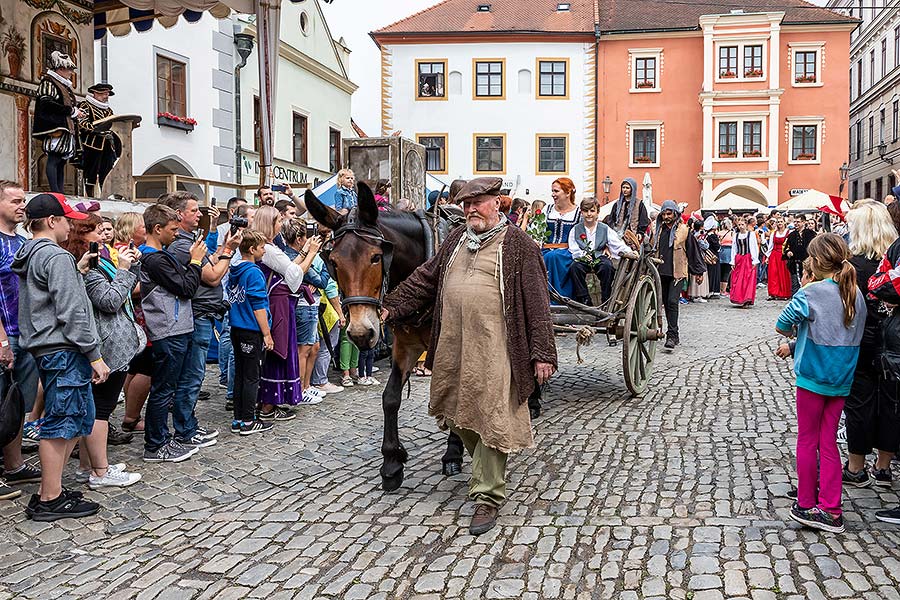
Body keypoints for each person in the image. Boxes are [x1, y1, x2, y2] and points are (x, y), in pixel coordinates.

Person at [382, 177, 557, 535]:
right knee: (455, 411)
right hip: (454, 343)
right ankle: (485, 463)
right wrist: (391, 307)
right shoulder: (456, 241)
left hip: (499, 345)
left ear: (497, 203)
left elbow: (538, 303)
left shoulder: (519, 246)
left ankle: (487, 496)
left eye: (478, 202)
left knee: (492, 413)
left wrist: (542, 352)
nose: (471, 210)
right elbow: (425, 279)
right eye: (465, 204)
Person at [12, 193, 111, 520]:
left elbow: (50, 298)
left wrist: (78, 273)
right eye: (67, 219)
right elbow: (71, 311)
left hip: (49, 345)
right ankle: (49, 496)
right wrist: (94, 354)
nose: (72, 225)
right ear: (52, 221)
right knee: (63, 419)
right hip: (63, 347)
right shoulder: (55, 256)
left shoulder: (31, 252)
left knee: (76, 416)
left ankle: (51, 491)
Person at [776, 233, 865, 534]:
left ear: (814, 262)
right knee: (828, 443)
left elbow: (782, 323)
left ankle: (805, 502)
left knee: (807, 440)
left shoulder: (811, 293)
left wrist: (798, 323)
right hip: (841, 379)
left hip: (813, 376)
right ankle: (831, 509)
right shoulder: (854, 292)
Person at [60, 212, 143, 488]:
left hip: (114, 341)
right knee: (101, 411)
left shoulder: (98, 260)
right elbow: (110, 301)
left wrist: (132, 267)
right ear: (81, 235)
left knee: (95, 409)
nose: (103, 234)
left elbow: (128, 289)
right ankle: (100, 471)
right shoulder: (87, 266)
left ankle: (88, 466)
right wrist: (122, 270)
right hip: (107, 344)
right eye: (96, 230)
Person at [160, 192, 240, 448]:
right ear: (179, 214)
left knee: (195, 373)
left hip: (204, 313)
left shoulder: (189, 240)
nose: (199, 215)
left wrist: (224, 249)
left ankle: (189, 424)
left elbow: (210, 262)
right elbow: (213, 276)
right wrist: (229, 252)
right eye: (194, 210)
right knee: (191, 375)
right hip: (198, 315)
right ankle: (185, 429)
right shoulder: (182, 246)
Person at [138, 204, 206, 463]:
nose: (177, 234)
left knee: (169, 387)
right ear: (157, 229)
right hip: (168, 330)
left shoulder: (161, 256)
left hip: (176, 327)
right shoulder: (154, 259)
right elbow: (187, 288)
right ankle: (155, 445)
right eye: (173, 229)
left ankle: (164, 439)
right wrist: (196, 262)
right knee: (163, 389)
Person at [841, 201, 899, 491]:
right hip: (892, 341)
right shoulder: (893, 262)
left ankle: (855, 467)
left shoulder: (853, 266)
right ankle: (884, 466)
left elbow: (845, 310)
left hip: (861, 342)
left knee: (859, 403)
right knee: (891, 403)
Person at [250, 206, 321, 419]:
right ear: (270, 224)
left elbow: (287, 267)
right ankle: (268, 404)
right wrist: (312, 254)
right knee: (278, 352)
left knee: (281, 350)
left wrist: (303, 252)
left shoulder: (269, 247)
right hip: (278, 305)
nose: (281, 225)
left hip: (281, 304)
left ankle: (273, 401)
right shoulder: (268, 249)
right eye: (278, 221)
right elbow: (294, 274)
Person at [0, 181, 42, 500]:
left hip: (27, 332)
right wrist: (0, 338)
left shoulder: (24, 240)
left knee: (17, 403)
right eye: (15, 200)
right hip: (6, 333)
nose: (21, 206)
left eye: (23, 201)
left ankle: (13, 465)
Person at [226, 230, 275, 435]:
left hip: (237, 328)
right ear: (252, 249)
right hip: (251, 329)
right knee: (252, 376)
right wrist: (267, 333)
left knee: (240, 374)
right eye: (262, 247)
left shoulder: (234, 269)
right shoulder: (253, 272)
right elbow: (258, 305)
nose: (264, 250)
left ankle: (239, 417)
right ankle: (248, 420)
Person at [652, 200, 705, 349]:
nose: (666, 216)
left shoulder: (684, 230)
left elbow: (693, 251)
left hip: (678, 272)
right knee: (666, 304)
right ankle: (672, 332)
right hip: (661, 272)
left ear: (675, 214)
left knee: (673, 302)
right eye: (664, 214)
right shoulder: (658, 230)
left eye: (669, 213)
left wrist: (698, 271)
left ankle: (672, 335)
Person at [566, 197, 634, 305]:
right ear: (581, 212)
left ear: (597, 212)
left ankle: (606, 298)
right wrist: (582, 255)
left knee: (607, 267)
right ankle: (585, 299)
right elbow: (573, 247)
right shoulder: (576, 229)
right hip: (583, 258)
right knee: (575, 268)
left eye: (592, 211)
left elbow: (616, 243)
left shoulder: (604, 228)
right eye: (586, 211)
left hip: (599, 255)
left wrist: (629, 251)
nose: (589, 214)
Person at [76, 83, 121, 197]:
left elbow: (113, 123)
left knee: (106, 169)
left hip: (107, 144)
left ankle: (104, 191)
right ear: (95, 94)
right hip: (91, 144)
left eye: (107, 94)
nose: (106, 96)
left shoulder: (108, 110)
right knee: (91, 171)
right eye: (103, 94)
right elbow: (82, 123)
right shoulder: (85, 105)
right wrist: (97, 130)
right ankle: (90, 194)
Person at [543, 178, 581, 300]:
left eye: (556, 191)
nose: (553, 194)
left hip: (567, 251)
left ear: (568, 193)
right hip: (546, 249)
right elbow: (537, 230)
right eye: (552, 191)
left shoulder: (579, 212)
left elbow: (590, 232)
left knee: (553, 257)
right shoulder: (547, 210)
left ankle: (557, 298)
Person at [729, 217, 760, 308]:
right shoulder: (736, 235)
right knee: (738, 279)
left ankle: (747, 299)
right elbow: (734, 249)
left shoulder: (751, 234)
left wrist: (754, 260)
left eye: (742, 224)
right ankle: (739, 298)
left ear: (746, 225)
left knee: (747, 279)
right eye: (739, 225)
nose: (741, 226)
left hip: (748, 258)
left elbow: (754, 247)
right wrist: (733, 261)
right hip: (739, 258)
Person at [785, 215, 816, 296]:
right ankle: (795, 299)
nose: (796, 224)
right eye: (795, 222)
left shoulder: (811, 234)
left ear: (803, 222)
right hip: (794, 263)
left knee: (807, 282)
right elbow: (785, 246)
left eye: (798, 222)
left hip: (807, 263)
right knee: (795, 283)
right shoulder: (791, 235)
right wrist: (788, 252)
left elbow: (815, 247)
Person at [767, 217, 792, 300]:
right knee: (774, 273)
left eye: (781, 221)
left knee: (784, 273)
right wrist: (768, 256)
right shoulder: (773, 233)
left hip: (784, 255)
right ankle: (774, 292)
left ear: (784, 222)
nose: (779, 223)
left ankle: (785, 293)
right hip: (774, 254)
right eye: (778, 222)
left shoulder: (788, 232)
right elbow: (770, 245)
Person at [703, 216, 721, 299]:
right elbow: (717, 247)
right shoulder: (713, 236)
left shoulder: (706, 235)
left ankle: (709, 290)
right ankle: (713, 290)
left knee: (710, 272)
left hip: (708, 254)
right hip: (713, 255)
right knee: (714, 272)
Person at [717, 218, 734, 295]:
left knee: (720, 271)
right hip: (729, 252)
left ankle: (719, 289)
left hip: (721, 252)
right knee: (726, 272)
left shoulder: (719, 233)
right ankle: (723, 290)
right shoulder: (732, 233)